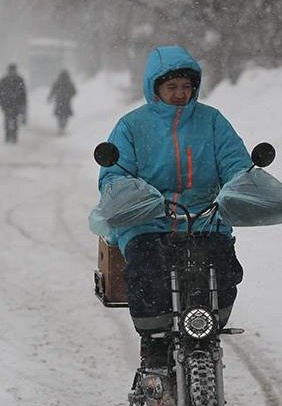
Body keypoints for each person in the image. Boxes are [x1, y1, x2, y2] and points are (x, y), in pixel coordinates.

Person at [97, 45, 252, 366]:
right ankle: (154, 350)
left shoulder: (212, 122)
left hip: (205, 219)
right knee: (146, 271)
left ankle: (211, 326)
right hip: (149, 222)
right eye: (171, 87)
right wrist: (136, 198)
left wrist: (242, 185)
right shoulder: (131, 126)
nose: (180, 93)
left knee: (226, 269)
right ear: (155, 89)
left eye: (186, 86)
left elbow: (235, 161)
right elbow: (114, 176)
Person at [0, 63, 27, 143]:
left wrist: (22, 103)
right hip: (9, 104)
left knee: (13, 120)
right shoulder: (16, 80)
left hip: (12, 104)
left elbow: (23, 93)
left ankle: (12, 136)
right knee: (9, 120)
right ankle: (9, 135)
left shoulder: (11, 80)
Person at [47, 70, 76, 134]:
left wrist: (50, 98)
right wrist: (69, 95)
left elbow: (52, 91)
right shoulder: (69, 83)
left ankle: (61, 127)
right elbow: (74, 92)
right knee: (66, 115)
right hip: (66, 102)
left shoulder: (57, 82)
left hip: (59, 102)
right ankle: (63, 127)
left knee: (60, 115)